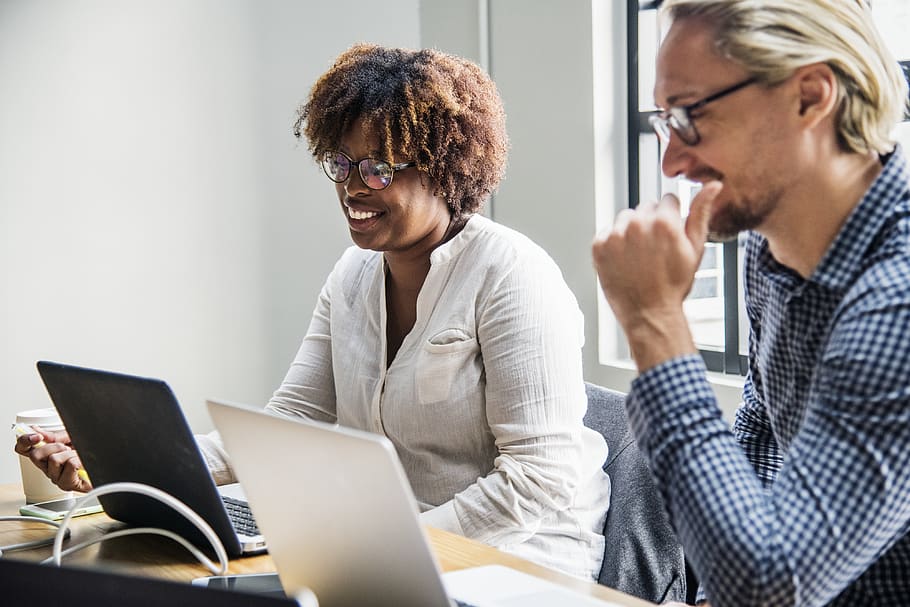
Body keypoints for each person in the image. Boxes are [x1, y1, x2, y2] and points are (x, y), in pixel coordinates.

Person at [16, 43, 612, 580]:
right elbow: (287, 423)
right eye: (343, 164)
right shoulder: (352, 276)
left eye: (378, 167)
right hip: (378, 546)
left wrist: (390, 544)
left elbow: (539, 481)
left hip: (514, 556)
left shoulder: (512, 276)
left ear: (443, 166)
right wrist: (121, 463)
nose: (354, 187)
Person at [592, 0, 910, 605]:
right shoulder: (770, 253)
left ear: (811, 97)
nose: (671, 162)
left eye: (690, 117)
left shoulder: (898, 300)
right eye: (665, 121)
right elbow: (763, 436)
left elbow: (770, 585)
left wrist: (655, 323)